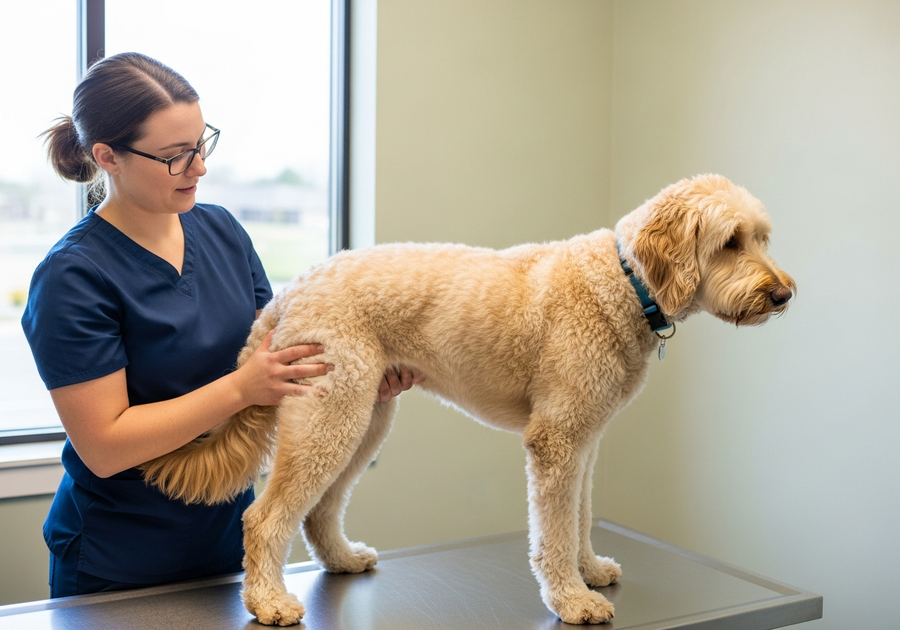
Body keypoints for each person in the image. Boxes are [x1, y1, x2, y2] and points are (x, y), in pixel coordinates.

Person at [22, 52, 418, 598]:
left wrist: (360, 379)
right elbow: (105, 445)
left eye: (201, 144)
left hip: (229, 533)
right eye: (174, 157)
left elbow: (278, 359)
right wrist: (240, 388)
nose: (199, 168)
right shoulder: (72, 277)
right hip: (120, 557)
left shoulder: (222, 231)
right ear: (107, 156)